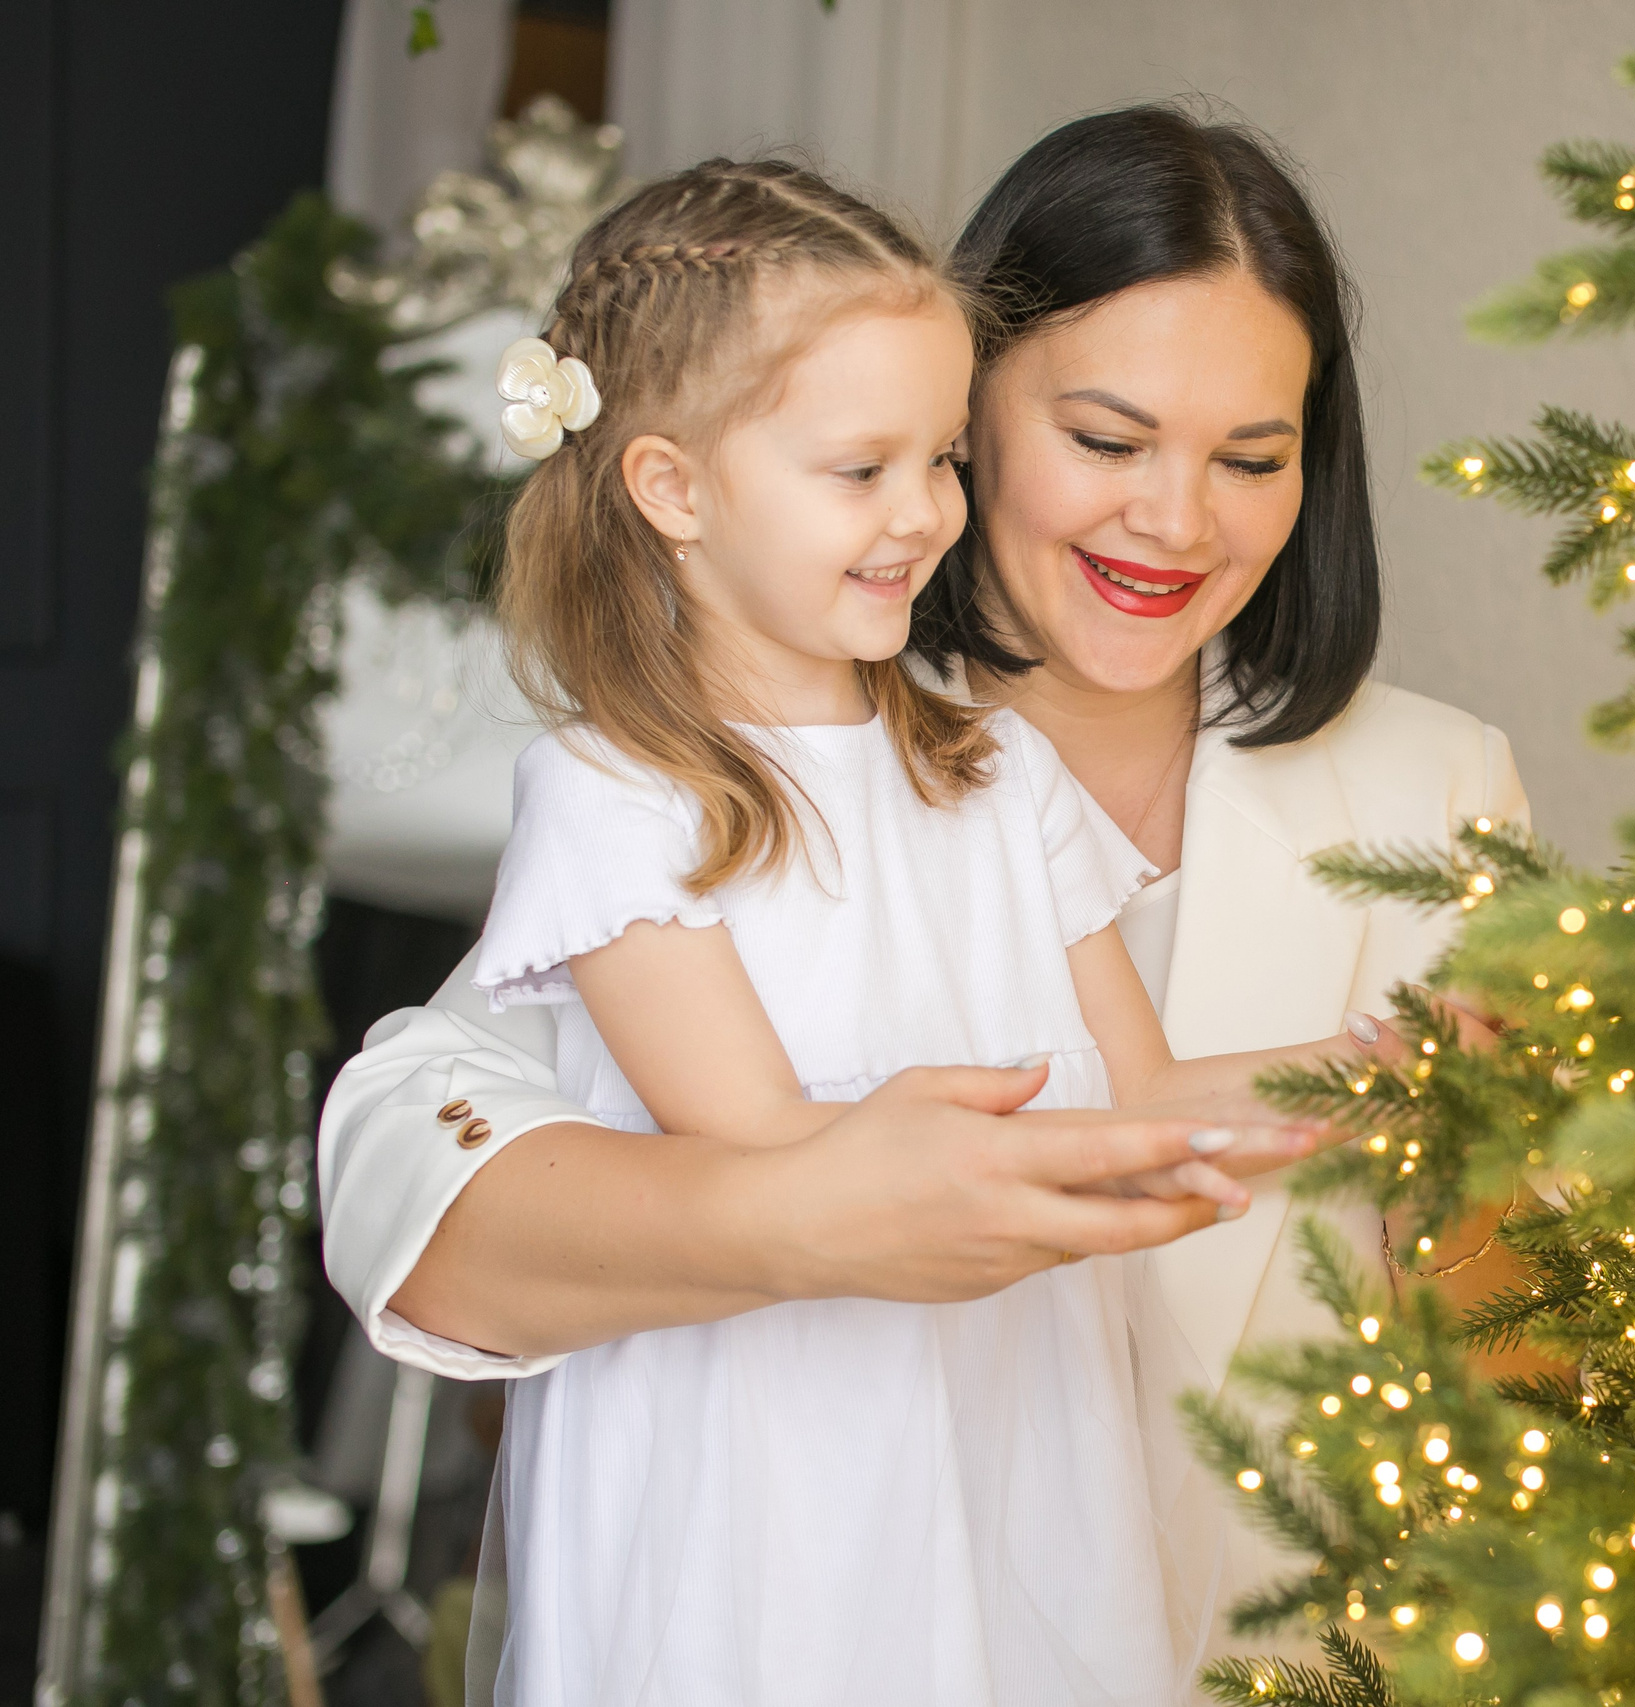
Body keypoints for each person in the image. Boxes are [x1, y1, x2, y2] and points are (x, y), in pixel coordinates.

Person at [318, 103, 1527, 1639]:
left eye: (1253, 456)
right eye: (1104, 439)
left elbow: (1513, 1327)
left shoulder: (1434, 788)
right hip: (808, 1566)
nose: (1176, 517)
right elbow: (404, 1166)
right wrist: (792, 1218)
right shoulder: (694, 768)